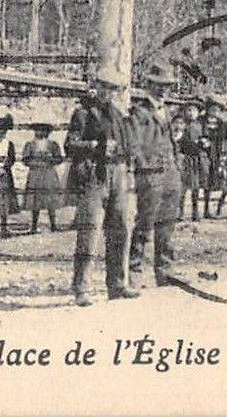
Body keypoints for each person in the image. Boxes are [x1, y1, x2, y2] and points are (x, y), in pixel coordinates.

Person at [66, 81, 136, 306]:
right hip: (95, 175)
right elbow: (70, 144)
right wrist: (96, 146)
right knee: (90, 231)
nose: (109, 93)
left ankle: (117, 284)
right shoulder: (83, 113)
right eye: (104, 88)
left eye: (112, 89)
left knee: (122, 227)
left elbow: (128, 143)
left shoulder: (117, 114)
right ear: (95, 88)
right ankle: (81, 288)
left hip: (119, 174)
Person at [128, 69, 182, 289]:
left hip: (170, 174)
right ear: (148, 85)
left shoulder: (166, 111)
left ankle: (164, 272)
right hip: (150, 176)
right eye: (158, 85)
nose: (163, 90)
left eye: (167, 86)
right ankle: (134, 273)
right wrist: (143, 167)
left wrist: (176, 166)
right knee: (144, 225)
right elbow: (133, 144)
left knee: (167, 225)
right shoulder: (139, 112)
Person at [22, 121, 66, 234]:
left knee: (50, 199)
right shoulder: (30, 144)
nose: (40, 132)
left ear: (48, 132)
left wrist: (50, 159)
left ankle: (53, 225)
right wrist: (36, 161)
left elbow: (59, 159)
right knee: (35, 200)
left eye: (43, 130)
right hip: (35, 174)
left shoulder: (53, 145)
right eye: (38, 129)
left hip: (49, 173)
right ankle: (34, 226)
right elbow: (25, 160)